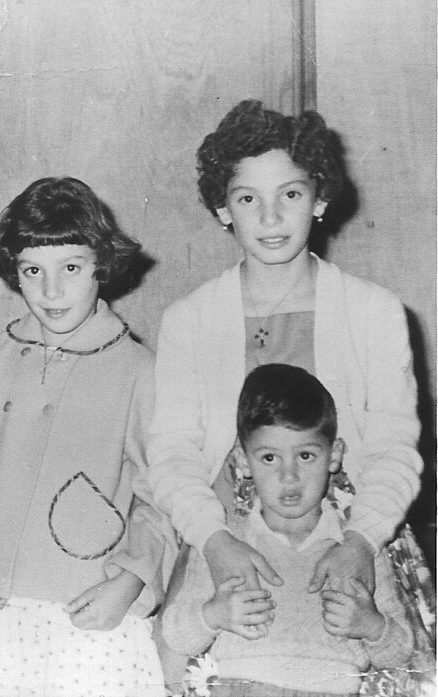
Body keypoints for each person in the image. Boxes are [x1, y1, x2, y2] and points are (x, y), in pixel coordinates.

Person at [146, 99, 425, 688]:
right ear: (223, 208)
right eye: (248, 198)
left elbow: (397, 448)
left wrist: (360, 542)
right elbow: (171, 457)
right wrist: (216, 544)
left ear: (320, 199)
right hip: (224, 551)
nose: (271, 217)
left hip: (353, 545)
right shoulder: (189, 320)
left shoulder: (375, 313)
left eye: (291, 195)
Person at [0, 177, 177, 697]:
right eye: (32, 271)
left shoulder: (140, 371)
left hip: (91, 612)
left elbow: (161, 498)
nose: (51, 291)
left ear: (101, 267)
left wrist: (131, 580)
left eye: (70, 268)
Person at [163, 364, 413, 696]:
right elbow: (176, 633)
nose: (289, 476)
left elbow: (402, 650)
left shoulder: (358, 549)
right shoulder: (225, 544)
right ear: (242, 460)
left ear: (334, 455)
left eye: (306, 455)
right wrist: (214, 614)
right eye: (269, 458)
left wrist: (371, 625)